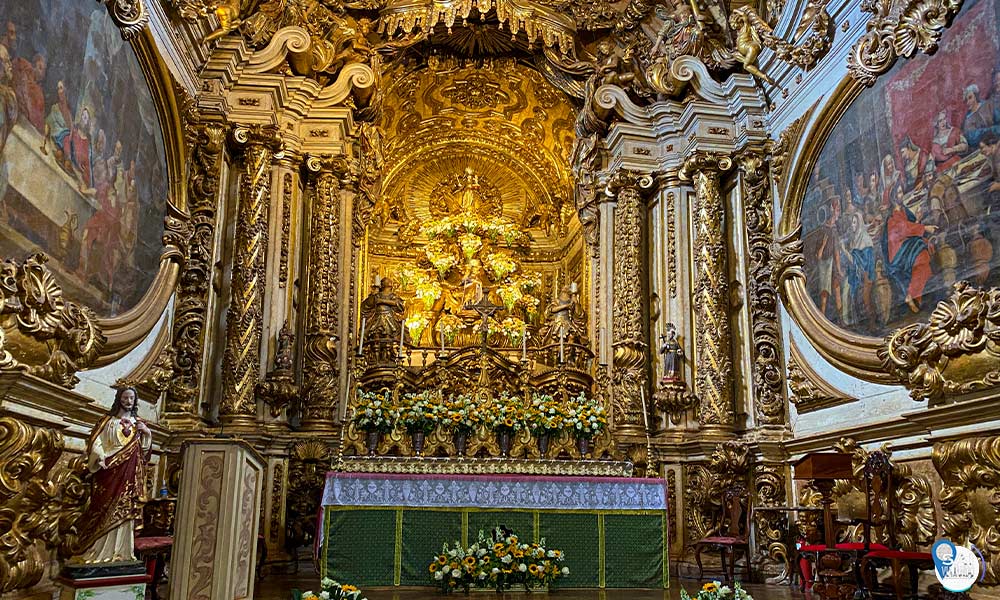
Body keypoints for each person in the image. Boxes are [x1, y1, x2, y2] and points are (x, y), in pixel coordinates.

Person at [72, 387, 151, 563]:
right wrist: (99, 456)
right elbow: (96, 441)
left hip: (129, 475)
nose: (128, 401)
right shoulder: (107, 421)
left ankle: (122, 552)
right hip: (108, 471)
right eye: (125, 397)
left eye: (131, 398)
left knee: (124, 511)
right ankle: (98, 549)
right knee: (102, 506)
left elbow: (144, 454)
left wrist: (147, 434)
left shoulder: (139, 423)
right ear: (119, 399)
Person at [883, 184, 938, 313]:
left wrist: (918, 219)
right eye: (899, 193)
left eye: (901, 192)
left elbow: (909, 227)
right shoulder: (893, 216)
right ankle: (911, 296)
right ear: (893, 198)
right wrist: (924, 228)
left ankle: (914, 297)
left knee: (925, 265)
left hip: (907, 245)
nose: (901, 195)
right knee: (922, 254)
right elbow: (904, 229)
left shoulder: (903, 210)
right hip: (898, 252)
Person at [962, 83, 995, 149]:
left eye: (970, 98)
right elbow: (971, 139)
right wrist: (989, 130)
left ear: (975, 96)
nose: (968, 102)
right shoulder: (968, 119)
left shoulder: (987, 105)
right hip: (982, 147)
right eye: (966, 100)